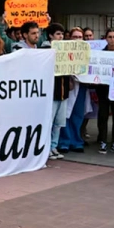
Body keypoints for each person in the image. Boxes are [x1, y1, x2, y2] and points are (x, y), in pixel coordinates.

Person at [45, 23, 70, 160]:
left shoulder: (66, 50)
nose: (61, 37)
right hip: (51, 92)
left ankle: (54, 146)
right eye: (58, 34)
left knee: (59, 123)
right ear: (50, 36)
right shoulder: (45, 49)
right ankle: (46, 147)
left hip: (63, 91)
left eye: (62, 34)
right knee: (49, 121)